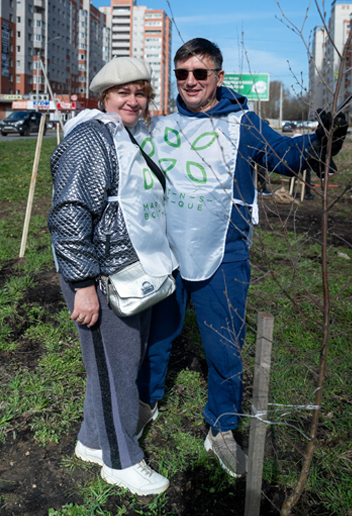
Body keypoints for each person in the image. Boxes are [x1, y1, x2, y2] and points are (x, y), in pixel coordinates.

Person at [137, 38, 348, 478]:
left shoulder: (242, 125)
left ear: (219, 77)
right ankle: (144, 402)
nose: (190, 81)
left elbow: (284, 156)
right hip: (169, 251)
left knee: (225, 345)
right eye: (182, 73)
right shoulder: (160, 126)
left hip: (224, 251)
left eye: (200, 73)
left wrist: (318, 145)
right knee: (157, 335)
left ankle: (221, 428)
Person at [48, 57, 177, 496]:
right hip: (99, 275)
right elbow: (68, 216)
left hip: (129, 271)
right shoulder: (91, 138)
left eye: (140, 92)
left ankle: (92, 441)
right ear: (104, 96)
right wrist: (83, 286)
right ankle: (121, 461)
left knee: (117, 363)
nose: (134, 100)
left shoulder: (128, 135)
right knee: (116, 371)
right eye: (124, 92)